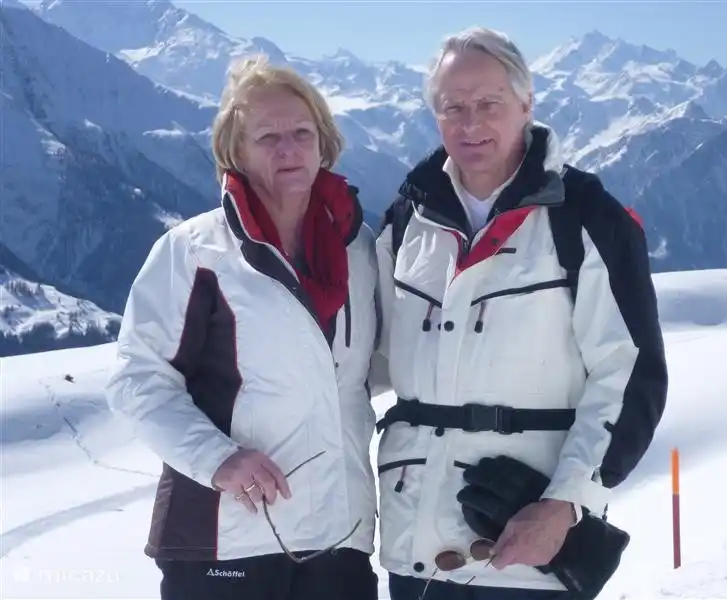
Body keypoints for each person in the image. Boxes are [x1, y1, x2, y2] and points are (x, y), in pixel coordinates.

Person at [372, 27, 668, 600]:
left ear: (526, 103)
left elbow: (629, 377)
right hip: (415, 551)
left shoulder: (585, 218)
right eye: (453, 107)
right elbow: (364, 359)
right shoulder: (408, 219)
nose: (470, 123)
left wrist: (565, 505)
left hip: (527, 548)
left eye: (489, 103)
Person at [105, 54, 380, 600]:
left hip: (338, 535)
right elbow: (137, 380)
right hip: (226, 536)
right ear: (236, 151)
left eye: (301, 133)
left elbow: (375, 368)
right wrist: (219, 460)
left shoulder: (360, 249)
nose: (288, 149)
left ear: (324, 144)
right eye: (267, 137)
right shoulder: (195, 252)